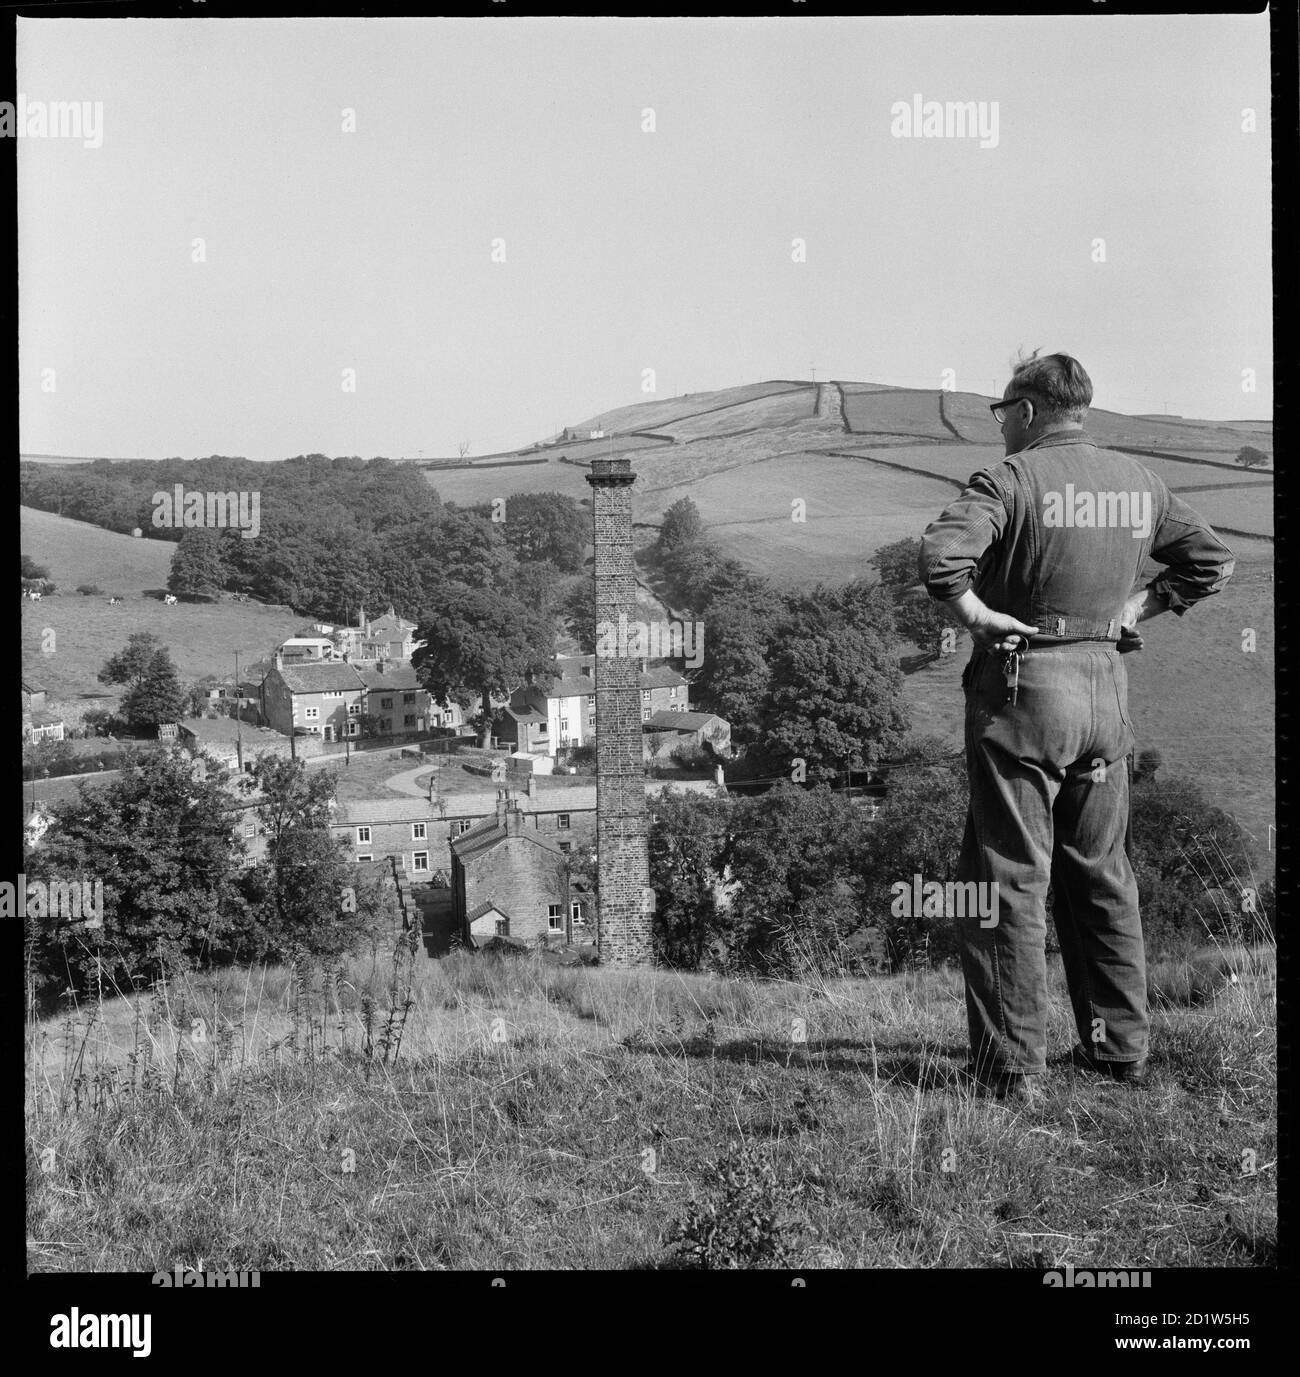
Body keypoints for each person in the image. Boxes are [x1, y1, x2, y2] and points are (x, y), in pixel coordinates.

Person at [918, 351, 1234, 1103]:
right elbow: (1211, 562)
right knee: (1102, 875)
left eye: (1004, 414)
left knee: (1007, 879)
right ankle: (1119, 1052)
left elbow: (940, 558)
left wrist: (979, 615)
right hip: (1106, 697)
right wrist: (1134, 610)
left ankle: (1010, 1068)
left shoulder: (1012, 479)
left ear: (1027, 411)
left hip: (1027, 695)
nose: (1002, 427)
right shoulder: (1138, 482)